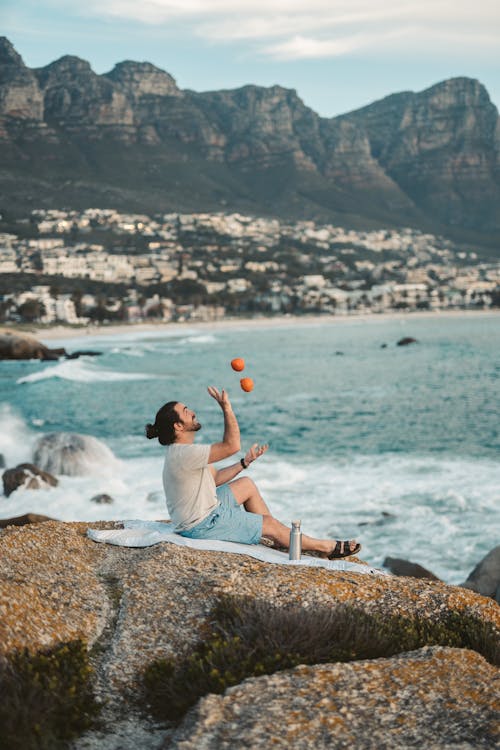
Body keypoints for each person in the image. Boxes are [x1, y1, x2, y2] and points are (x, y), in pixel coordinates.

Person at [146, 386, 361, 559]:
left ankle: (276, 535)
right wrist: (227, 408)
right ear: (178, 426)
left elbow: (215, 479)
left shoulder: (184, 453)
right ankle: (322, 547)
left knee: (246, 484)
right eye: (186, 412)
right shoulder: (185, 454)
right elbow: (231, 445)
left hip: (205, 509)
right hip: (201, 524)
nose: (192, 413)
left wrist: (243, 463)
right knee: (270, 525)